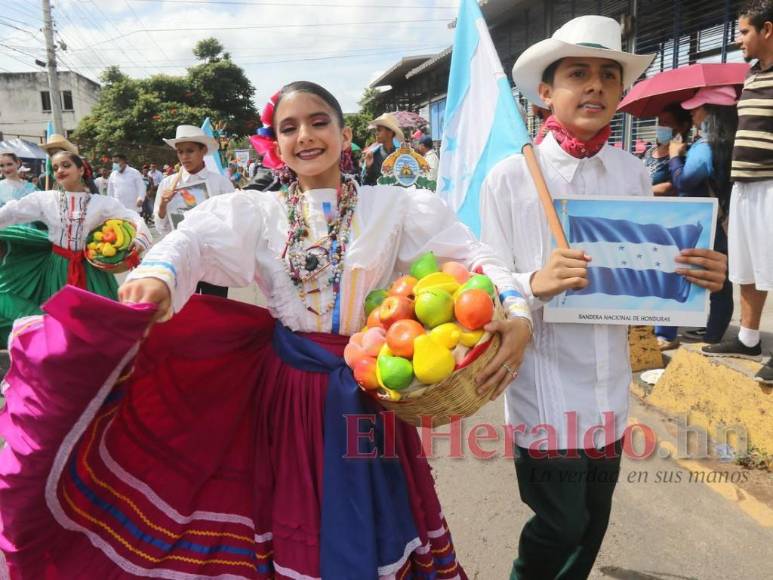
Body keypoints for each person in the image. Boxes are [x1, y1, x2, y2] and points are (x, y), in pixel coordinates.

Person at [0, 80, 533, 579]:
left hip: (371, 387)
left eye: (319, 121)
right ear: (274, 145)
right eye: (289, 127)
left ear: (345, 134)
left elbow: (473, 256)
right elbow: (191, 243)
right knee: (291, 510)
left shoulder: (394, 207)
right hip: (290, 391)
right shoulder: (258, 211)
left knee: (374, 506)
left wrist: (516, 311)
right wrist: (157, 278)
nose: (305, 135)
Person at [483, 16, 728, 579]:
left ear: (621, 92)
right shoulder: (512, 176)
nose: (594, 85)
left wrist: (696, 274)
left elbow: (649, 271)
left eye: (607, 75)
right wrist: (533, 284)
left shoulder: (632, 172)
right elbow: (486, 274)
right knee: (558, 523)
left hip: (610, 383)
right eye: (578, 73)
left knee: (594, 519)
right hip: (544, 382)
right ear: (547, 91)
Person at [0, 150, 151, 343]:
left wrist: (138, 243)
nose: (59, 170)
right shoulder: (46, 199)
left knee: (101, 324)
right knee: (60, 323)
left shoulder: (102, 203)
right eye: (55, 168)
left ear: (81, 169)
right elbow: (11, 212)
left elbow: (133, 219)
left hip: (91, 270)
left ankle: (101, 363)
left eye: (65, 165)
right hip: (57, 268)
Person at [700, 0, 773, 384]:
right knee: (745, 266)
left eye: (745, 31)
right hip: (744, 185)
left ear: (767, 30)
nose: (739, 39)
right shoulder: (750, 76)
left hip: (771, 184)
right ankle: (747, 338)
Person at [669, 86, 738, 346]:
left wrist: (675, 157)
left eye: (697, 108)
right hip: (722, 219)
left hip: (699, 221)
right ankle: (713, 332)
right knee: (721, 278)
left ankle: (700, 334)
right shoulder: (732, 143)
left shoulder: (704, 147)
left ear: (711, 113)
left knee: (689, 272)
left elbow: (684, 182)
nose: (693, 113)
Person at [155, 124, 234, 297]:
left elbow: (233, 222)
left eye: (190, 151)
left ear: (203, 151)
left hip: (213, 260)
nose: (184, 157)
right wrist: (162, 205)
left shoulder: (220, 183)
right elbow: (161, 226)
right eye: (180, 151)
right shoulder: (168, 184)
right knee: (186, 311)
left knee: (214, 308)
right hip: (183, 259)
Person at [645, 103, 695, 348]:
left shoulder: (682, 154)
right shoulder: (650, 151)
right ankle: (650, 326)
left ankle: (666, 332)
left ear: (682, 126)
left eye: (667, 122)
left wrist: (644, 191)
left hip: (670, 222)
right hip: (647, 220)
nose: (661, 126)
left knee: (670, 274)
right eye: (659, 120)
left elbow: (672, 186)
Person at [362, 112, 403, 185]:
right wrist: (368, 167)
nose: (376, 133)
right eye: (376, 130)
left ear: (390, 133)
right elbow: (365, 183)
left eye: (379, 130)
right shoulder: (373, 155)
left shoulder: (401, 155)